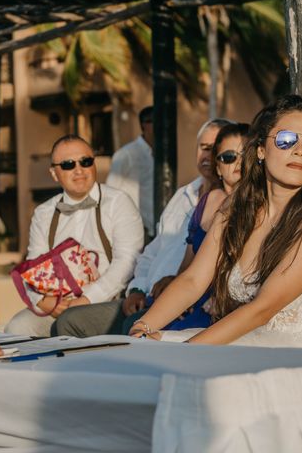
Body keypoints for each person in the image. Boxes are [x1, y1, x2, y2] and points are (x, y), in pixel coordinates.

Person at [130, 95, 302, 351]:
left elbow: (262, 308)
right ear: (260, 150)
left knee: (168, 357)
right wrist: (142, 327)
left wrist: (187, 352)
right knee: (138, 348)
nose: (300, 150)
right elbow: (193, 280)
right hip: (252, 338)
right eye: (286, 140)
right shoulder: (236, 207)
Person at [52, 119, 234, 338]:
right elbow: (152, 250)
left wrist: (174, 282)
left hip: (181, 302)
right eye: (204, 148)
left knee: (132, 326)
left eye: (218, 150)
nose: (209, 155)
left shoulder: (231, 204)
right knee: (68, 323)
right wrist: (136, 289)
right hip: (145, 296)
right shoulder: (182, 195)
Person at [5, 135, 144, 337]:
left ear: (94, 164)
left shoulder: (118, 202)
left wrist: (86, 300)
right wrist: (44, 301)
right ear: (54, 173)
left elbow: (127, 262)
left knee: (71, 324)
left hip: (108, 302)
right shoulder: (44, 213)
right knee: (17, 328)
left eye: (85, 162)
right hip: (58, 307)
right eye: (68, 164)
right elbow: (34, 268)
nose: (78, 170)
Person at [124, 122, 252, 333]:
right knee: (139, 331)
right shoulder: (208, 200)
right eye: (228, 157)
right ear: (217, 166)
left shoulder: (258, 206)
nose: (238, 162)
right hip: (190, 297)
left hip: (224, 307)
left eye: (244, 154)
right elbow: (187, 268)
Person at [106, 106, 154, 237]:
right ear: (145, 125)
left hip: (156, 228)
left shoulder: (161, 155)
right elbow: (111, 191)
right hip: (136, 229)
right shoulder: (126, 154)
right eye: (155, 122)